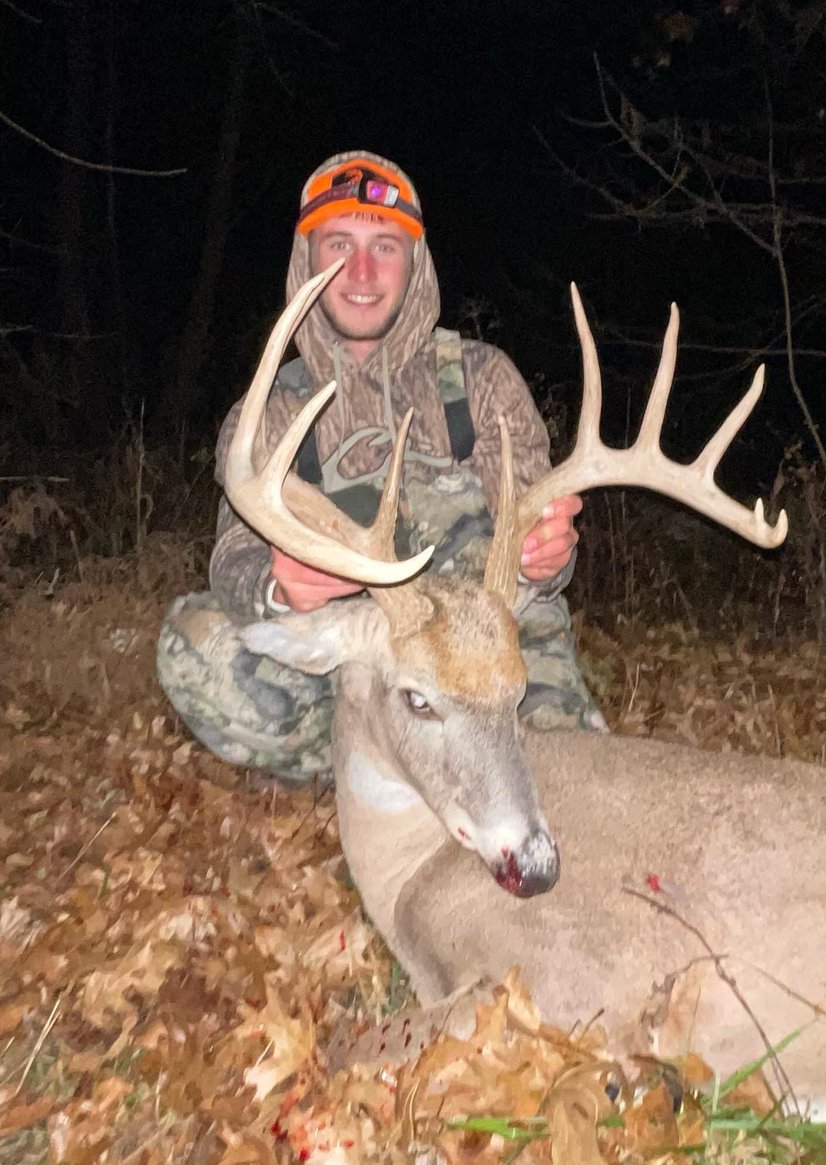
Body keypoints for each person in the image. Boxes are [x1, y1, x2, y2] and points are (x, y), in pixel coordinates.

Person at [157, 150, 606, 782]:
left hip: (484, 656)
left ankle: (399, 777)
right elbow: (232, 558)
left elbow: (541, 550)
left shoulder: (480, 381)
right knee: (195, 643)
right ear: (305, 257)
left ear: (414, 262)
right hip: (358, 655)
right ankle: (376, 767)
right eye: (339, 243)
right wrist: (277, 586)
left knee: (574, 778)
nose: (362, 270)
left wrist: (549, 558)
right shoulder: (270, 408)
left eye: (386, 246)